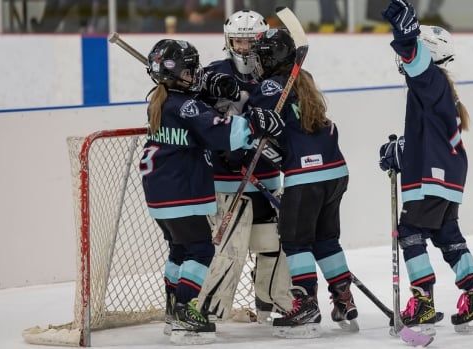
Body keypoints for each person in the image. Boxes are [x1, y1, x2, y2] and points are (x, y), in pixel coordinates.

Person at [141, 38, 285, 344]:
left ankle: (173, 310)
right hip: (182, 191)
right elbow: (222, 131)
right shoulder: (186, 105)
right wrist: (256, 123)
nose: (196, 77)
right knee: (201, 250)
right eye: (191, 72)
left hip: (160, 195)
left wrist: (212, 89)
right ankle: (185, 312)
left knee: (179, 250)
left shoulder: (159, 100)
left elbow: (199, 120)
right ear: (175, 73)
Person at [378, 0, 473, 335]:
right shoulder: (437, 90)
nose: (402, 60)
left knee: (411, 230)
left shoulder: (428, 81)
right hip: (448, 176)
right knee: (447, 235)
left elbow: (413, 57)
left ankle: (423, 301)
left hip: (432, 178)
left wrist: (405, 33)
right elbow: (428, 140)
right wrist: (399, 149)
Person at [250, 28, 359, 339]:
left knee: (296, 241)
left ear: (271, 59)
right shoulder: (304, 80)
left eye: (261, 56)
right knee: (326, 240)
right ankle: (344, 300)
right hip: (335, 172)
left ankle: (305, 305)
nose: (257, 63)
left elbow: (254, 123)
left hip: (305, 174)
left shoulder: (269, 86)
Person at [196, 9, 294, 323]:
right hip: (228, 182)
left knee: (276, 245)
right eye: (237, 41)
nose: (243, 48)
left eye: (250, 42)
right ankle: (208, 314)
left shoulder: (272, 73)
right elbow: (196, 120)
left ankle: (274, 304)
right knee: (230, 250)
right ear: (228, 42)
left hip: (267, 178)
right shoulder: (213, 72)